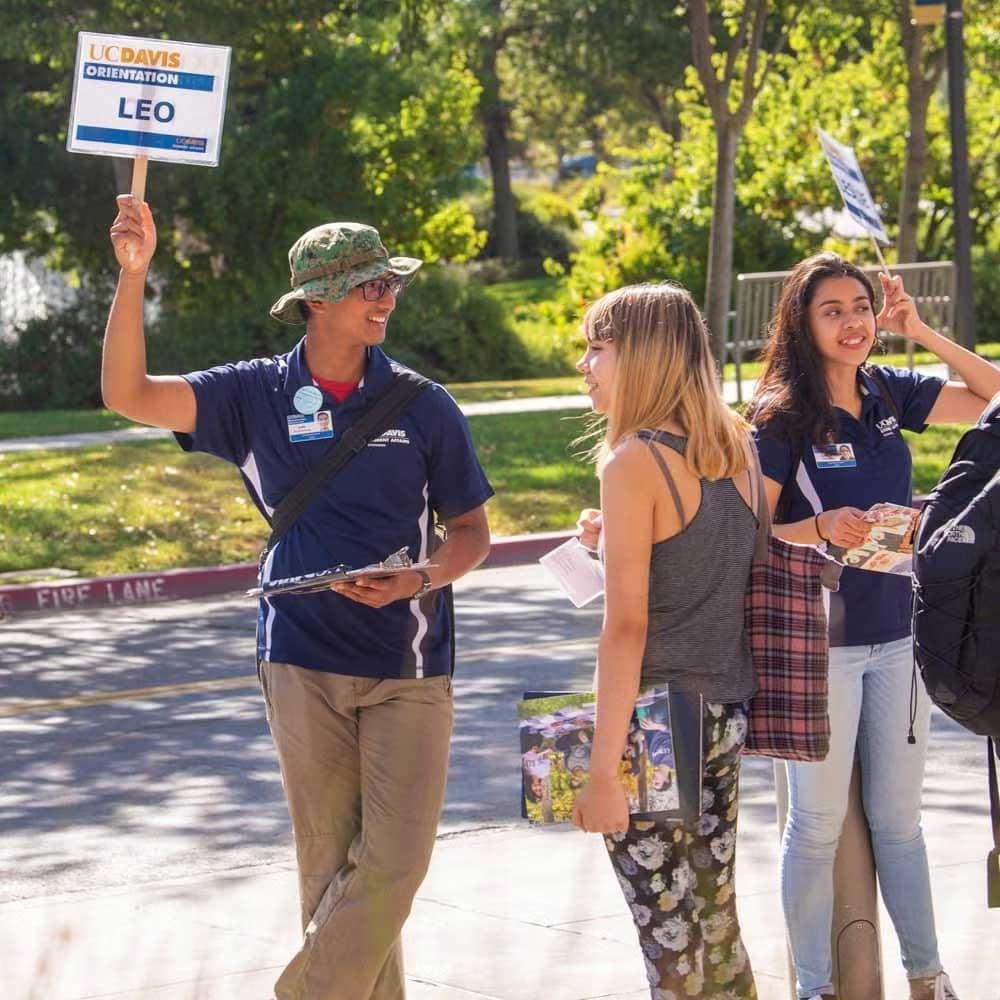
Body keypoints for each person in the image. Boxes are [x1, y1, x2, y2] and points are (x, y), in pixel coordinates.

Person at [102, 196, 493, 1000]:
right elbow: (127, 394)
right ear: (316, 302)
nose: (386, 298)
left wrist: (418, 579)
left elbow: (472, 537)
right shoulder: (251, 395)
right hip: (300, 658)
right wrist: (132, 278)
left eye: (389, 283)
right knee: (332, 873)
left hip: (409, 663)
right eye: (367, 286)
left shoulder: (425, 405)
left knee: (394, 865)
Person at [748, 252, 1000, 1000]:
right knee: (817, 826)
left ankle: (929, 975)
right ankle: (814, 987)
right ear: (803, 321)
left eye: (861, 306)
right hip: (819, 645)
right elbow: (755, 522)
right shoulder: (779, 413)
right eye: (834, 310)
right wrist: (819, 523)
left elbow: (995, 397)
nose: (854, 322)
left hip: (900, 637)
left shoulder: (890, 390)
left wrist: (920, 330)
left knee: (900, 824)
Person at [570, 282, 760, 998]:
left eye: (598, 346)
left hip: (655, 722)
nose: (586, 364)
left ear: (643, 355)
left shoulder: (633, 463)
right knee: (712, 920)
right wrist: (606, 543)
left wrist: (597, 774)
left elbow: (627, 628)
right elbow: (704, 567)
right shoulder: (735, 446)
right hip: (723, 709)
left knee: (667, 935)